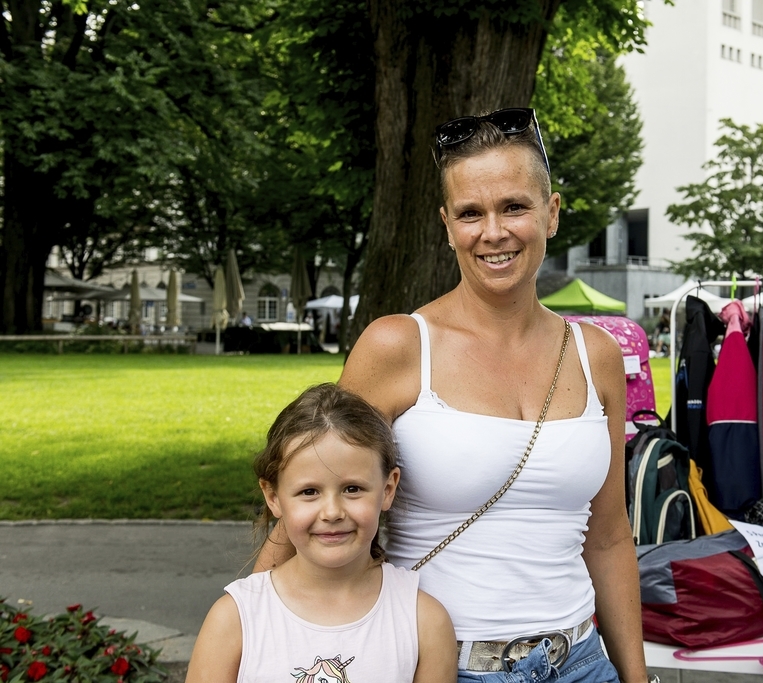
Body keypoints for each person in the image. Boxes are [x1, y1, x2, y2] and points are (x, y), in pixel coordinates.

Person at [256, 108, 648, 682]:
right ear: (447, 226)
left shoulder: (598, 356)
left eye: (514, 206)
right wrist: (241, 619)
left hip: (581, 663)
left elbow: (610, 536)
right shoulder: (398, 346)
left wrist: (636, 677)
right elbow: (311, 501)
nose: (493, 232)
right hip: (436, 664)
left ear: (552, 212)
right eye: (471, 213)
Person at [187, 383, 457, 683]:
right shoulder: (234, 620)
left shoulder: (424, 622)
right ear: (273, 496)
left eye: (352, 489)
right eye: (309, 491)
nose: (332, 512)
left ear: (388, 489)